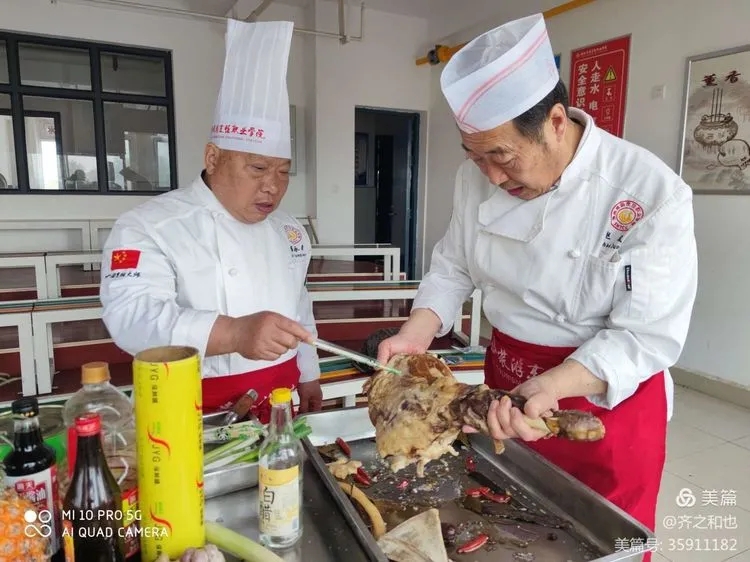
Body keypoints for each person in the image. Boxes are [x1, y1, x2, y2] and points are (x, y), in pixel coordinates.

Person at [376, 12, 698, 547]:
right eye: (475, 156)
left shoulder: (647, 192)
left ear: (555, 122)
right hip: (508, 383)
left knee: (600, 540)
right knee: (508, 528)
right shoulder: (475, 177)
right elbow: (452, 265)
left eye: (502, 156)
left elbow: (647, 336)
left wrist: (552, 386)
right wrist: (416, 332)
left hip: (604, 405)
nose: (491, 176)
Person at [99, 19, 323, 422]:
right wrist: (235, 333)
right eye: (258, 169)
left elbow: (298, 307)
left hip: (278, 402)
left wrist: (309, 373)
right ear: (213, 158)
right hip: (188, 408)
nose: (273, 186)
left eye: (283, 171)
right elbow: (132, 319)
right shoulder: (148, 226)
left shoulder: (289, 231)